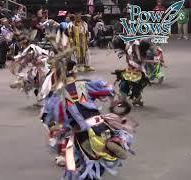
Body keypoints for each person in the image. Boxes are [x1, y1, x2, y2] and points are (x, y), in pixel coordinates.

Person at [41, 47, 138, 179]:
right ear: (74, 73)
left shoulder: (56, 96)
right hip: (99, 123)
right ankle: (115, 141)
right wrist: (114, 99)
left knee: (88, 162)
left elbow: (48, 118)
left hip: (82, 133)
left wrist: (58, 127)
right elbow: (106, 89)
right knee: (101, 155)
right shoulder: (82, 85)